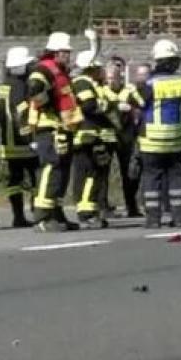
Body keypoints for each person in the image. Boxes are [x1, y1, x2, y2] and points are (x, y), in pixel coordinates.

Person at [26, 32, 82, 231]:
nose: (68, 55)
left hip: (63, 128)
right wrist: (47, 103)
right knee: (52, 169)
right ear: (55, 52)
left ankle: (57, 215)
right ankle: (42, 217)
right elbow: (34, 88)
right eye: (65, 52)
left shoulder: (61, 71)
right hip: (49, 128)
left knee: (62, 173)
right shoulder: (44, 69)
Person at [137, 39, 181, 228]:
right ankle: (178, 218)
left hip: (152, 141)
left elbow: (137, 104)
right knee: (176, 178)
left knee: (152, 179)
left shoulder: (149, 84)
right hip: (176, 139)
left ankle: (153, 219)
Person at [0, 46, 39, 228]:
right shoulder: (21, 86)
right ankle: (38, 214)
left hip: (8, 143)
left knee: (15, 181)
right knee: (36, 178)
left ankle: (18, 216)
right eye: (28, 65)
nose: (31, 68)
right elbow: (22, 113)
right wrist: (31, 139)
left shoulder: (4, 85)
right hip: (23, 144)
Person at [68, 50, 114, 228]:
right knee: (88, 175)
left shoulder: (91, 83)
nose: (101, 70)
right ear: (91, 68)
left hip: (92, 136)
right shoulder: (82, 83)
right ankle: (86, 213)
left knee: (93, 175)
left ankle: (89, 211)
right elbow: (89, 106)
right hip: (87, 136)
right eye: (99, 67)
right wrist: (108, 106)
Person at [109, 57, 143, 219]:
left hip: (126, 136)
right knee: (102, 173)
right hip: (108, 136)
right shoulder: (101, 90)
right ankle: (103, 206)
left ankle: (132, 206)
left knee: (129, 172)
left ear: (119, 77)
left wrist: (131, 108)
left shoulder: (129, 90)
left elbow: (142, 104)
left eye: (113, 78)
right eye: (108, 78)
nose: (110, 81)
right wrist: (115, 106)